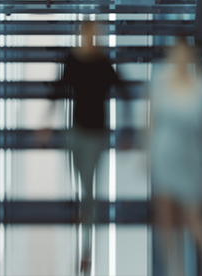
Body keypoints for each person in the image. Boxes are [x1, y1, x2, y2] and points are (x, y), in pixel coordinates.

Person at [42, 21, 129, 275]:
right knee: (80, 177)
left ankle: (87, 248)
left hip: (94, 134)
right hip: (76, 132)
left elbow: (123, 92)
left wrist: (125, 130)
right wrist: (45, 123)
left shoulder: (102, 63)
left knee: (89, 184)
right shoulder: (74, 60)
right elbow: (59, 90)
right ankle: (85, 211)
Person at [147, 39, 202, 276]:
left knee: (192, 215)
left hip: (190, 157)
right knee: (166, 219)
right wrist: (147, 155)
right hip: (165, 154)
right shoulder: (160, 81)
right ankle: (174, 269)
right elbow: (152, 121)